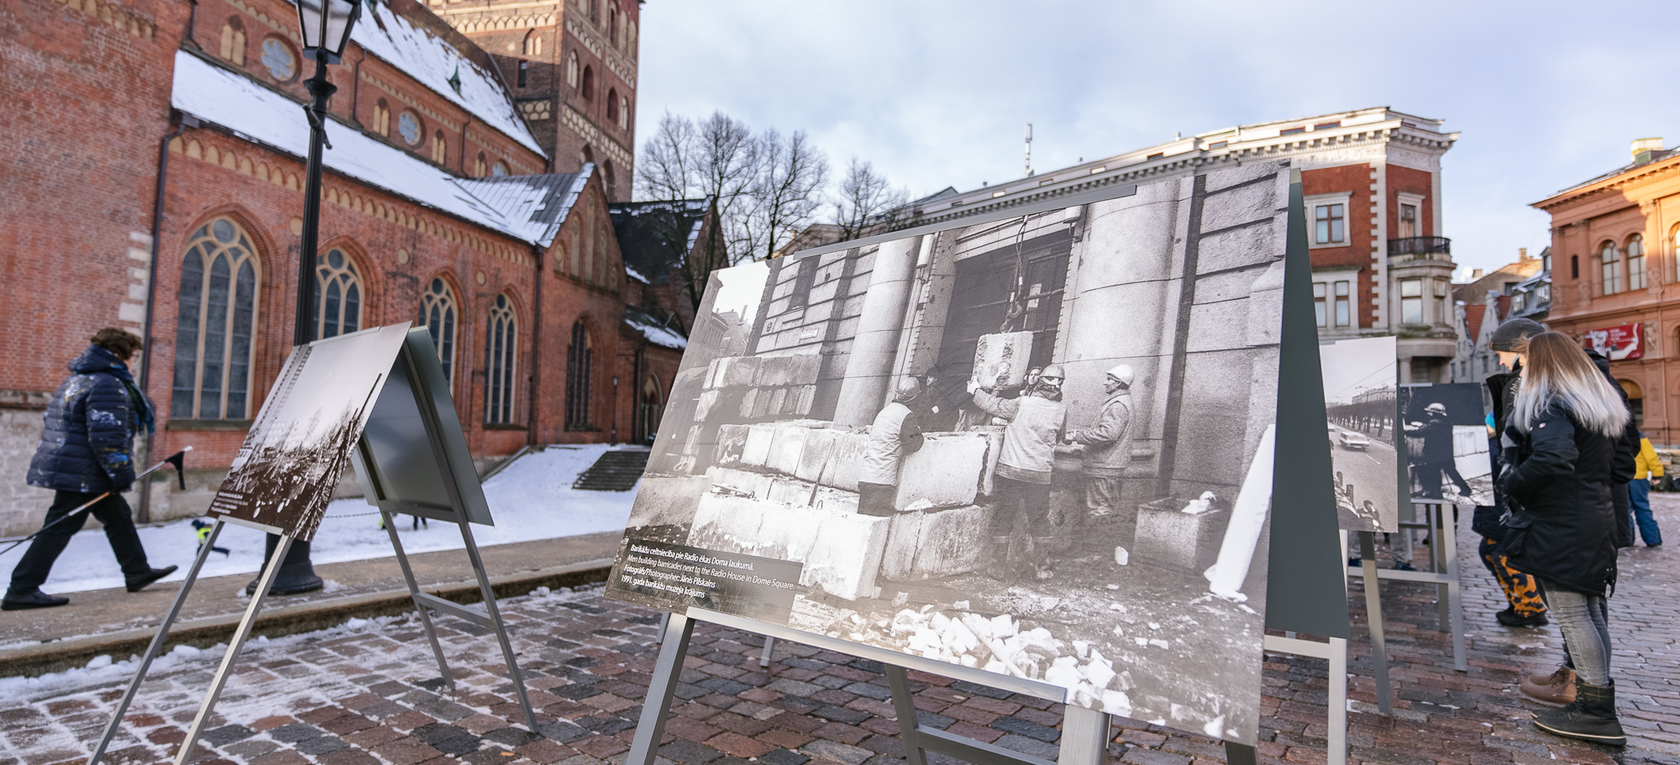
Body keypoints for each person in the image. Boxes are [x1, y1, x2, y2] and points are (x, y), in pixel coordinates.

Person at [1500, 332, 1630, 746]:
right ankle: (1596, 698)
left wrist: (1513, 483)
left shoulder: (1553, 401)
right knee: (1589, 611)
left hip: (1563, 522)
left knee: (1575, 615)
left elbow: (1554, 457)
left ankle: (1596, 712)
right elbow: (1622, 464)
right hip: (1594, 515)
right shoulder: (1598, 403)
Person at [3, 329, 177, 611]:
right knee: (58, 527)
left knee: (117, 515)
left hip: (78, 467)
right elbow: (107, 436)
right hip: (85, 473)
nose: (132, 364)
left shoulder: (79, 378)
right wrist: (121, 473)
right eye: (132, 357)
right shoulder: (107, 383)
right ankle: (21, 589)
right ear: (119, 355)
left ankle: (137, 571)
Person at [1478, 319, 1550, 631]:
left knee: (1499, 547)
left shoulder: (1526, 387)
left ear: (1521, 352)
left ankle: (1529, 606)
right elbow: (1495, 427)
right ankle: (1523, 604)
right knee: (1494, 546)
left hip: (1513, 490)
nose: (1500, 360)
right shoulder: (1519, 386)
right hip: (1507, 484)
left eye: (1502, 353)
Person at [971, 364, 1067, 580]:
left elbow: (992, 404)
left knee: (1004, 518)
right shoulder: (1062, 410)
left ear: (1040, 382)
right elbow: (1059, 437)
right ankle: (1042, 568)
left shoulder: (1021, 403)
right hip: (1040, 475)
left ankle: (997, 567)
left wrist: (976, 389)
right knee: (1039, 520)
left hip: (1011, 472)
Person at [1066, 365, 1135, 556]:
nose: (1105, 382)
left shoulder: (1118, 405)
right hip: (1108, 464)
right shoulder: (1120, 402)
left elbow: (1108, 434)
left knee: (1099, 509)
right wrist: (1084, 448)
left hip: (1104, 466)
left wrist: (1076, 436)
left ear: (1119, 383)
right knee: (1104, 507)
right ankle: (1097, 551)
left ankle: (1095, 553)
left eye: (1109, 379)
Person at [856, 378, 925, 518]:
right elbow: (913, 444)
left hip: (866, 476)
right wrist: (919, 431)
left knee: (862, 524)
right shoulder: (906, 415)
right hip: (883, 481)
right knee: (876, 526)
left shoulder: (884, 412)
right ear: (915, 397)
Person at [1405, 402, 1474, 500]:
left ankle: (1437, 494)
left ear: (1435, 412)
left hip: (1435, 454)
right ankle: (1466, 489)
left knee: (1435, 474)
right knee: (1452, 472)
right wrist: (1424, 425)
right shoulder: (1446, 422)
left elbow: (1419, 432)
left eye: (1430, 412)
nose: (1428, 413)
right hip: (1447, 454)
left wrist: (1405, 431)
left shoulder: (1434, 423)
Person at [1629, 432, 1664, 546]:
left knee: (1624, 511)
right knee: (1643, 508)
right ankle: (1652, 539)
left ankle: (1626, 540)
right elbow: (1650, 456)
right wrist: (1657, 474)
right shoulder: (1639, 436)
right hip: (1639, 477)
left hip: (1621, 478)